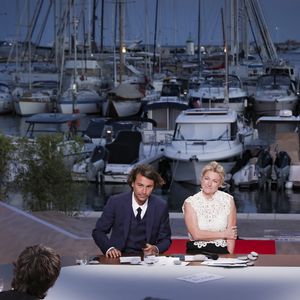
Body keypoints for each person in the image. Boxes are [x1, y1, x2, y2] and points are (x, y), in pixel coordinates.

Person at [92, 164, 172, 258]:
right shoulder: (116, 202)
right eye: (140, 185)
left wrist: (155, 248)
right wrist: (109, 248)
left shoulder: (160, 206)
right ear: (133, 183)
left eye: (149, 186)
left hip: (147, 260)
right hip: (118, 258)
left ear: (153, 187)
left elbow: (165, 239)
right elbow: (98, 231)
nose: (144, 191)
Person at [183, 161, 237, 254]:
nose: (209, 184)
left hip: (221, 251)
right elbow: (196, 235)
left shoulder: (228, 200)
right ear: (201, 179)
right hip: (197, 251)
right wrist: (224, 234)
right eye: (207, 179)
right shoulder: (190, 202)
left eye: (214, 181)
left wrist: (229, 256)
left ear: (220, 184)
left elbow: (231, 235)